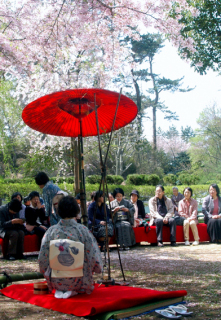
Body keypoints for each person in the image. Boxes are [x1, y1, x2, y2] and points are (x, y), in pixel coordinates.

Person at [38, 195, 103, 299]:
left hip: (56, 278)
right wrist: (97, 268)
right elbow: (93, 255)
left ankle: (61, 288)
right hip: (79, 279)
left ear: (59, 211)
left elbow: (42, 258)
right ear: (76, 211)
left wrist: (44, 271)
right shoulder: (82, 231)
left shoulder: (51, 231)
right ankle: (73, 289)